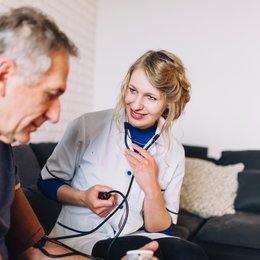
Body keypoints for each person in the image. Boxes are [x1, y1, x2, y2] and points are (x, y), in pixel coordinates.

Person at [0, 6, 159, 260]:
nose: (55, 115)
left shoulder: (4, 151)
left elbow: (34, 251)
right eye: (50, 94)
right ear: (4, 75)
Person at [39, 50, 209, 260]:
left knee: (190, 253)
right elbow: (46, 182)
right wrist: (83, 198)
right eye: (132, 90)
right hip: (80, 237)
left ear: (168, 102)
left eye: (150, 97)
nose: (136, 104)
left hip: (134, 234)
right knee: (152, 252)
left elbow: (163, 229)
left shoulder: (174, 151)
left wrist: (152, 188)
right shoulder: (87, 126)